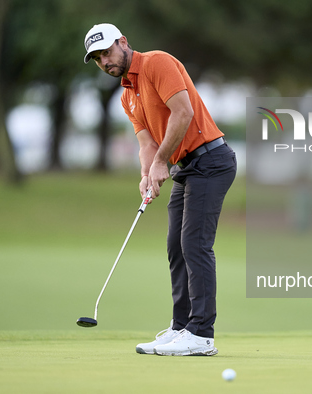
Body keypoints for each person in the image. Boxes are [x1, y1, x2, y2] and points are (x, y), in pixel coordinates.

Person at [83, 23, 237, 356]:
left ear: (123, 42)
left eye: (107, 52)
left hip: (211, 160)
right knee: (176, 247)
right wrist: (147, 172)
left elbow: (183, 113)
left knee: (194, 244)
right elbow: (146, 143)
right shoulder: (127, 95)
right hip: (187, 168)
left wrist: (161, 162)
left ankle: (201, 334)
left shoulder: (157, 63)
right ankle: (181, 327)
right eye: (97, 59)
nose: (105, 62)